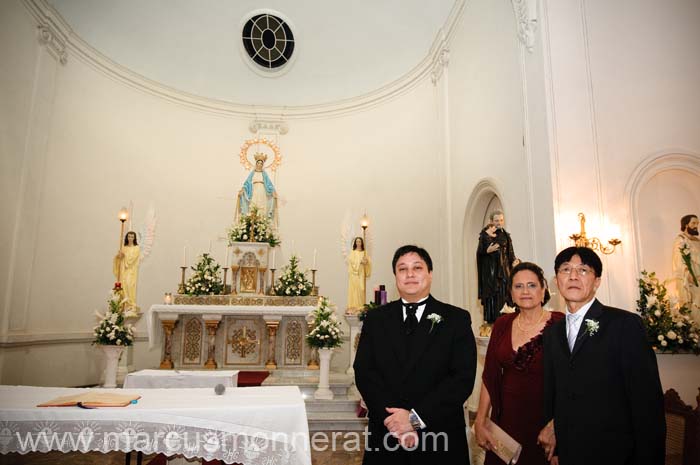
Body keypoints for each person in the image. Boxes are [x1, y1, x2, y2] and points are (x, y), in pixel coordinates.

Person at [538, 246, 665, 465]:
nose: (573, 276)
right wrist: (557, 447)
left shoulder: (624, 325)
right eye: (565, 269)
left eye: (583, 270)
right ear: (557, 280)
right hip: (569, 453)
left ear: (597, 281)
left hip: (615, 454)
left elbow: (647, 406)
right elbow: (554, 393)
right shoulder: (552, 332)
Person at [354, 245, 477, 464]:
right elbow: (364, 371)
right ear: (395, 276)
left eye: (417, 267)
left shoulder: (456, 319)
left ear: (430, 274)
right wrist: (393, 420)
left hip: (438, 435)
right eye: (402, 269)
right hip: (388, 433)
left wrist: (414, 419)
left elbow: (462, 379)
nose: (410, 274)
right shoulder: (375, 319)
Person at [474, 262, 564, 465]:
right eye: (518, 286)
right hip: (505, 421)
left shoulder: (560, 324)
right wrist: (480, 421)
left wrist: (557, 425)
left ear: (543, 291)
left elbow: (572, 382)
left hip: (545, 421)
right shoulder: (502, 324)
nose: (525, 291)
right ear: (511, 293)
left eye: (532, 285)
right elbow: (490, 375)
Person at [477, 211, 519, 325]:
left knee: (505, 294)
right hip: (491, 273)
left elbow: (511, 253)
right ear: (491, 222)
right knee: (493, 297)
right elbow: (479, 253)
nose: (499, 223)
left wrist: (515, 262)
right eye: (496, 220)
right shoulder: (485, 235)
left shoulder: (506, 236)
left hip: (504, 271)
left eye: (501, 220)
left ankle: (505, 319)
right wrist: (486, 251)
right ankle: (493, 321)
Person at [672, 214, 700, 323]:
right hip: (691, 281)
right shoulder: (681, 240)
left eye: (697, 223)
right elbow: (678, 260)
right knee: (694, 309)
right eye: (693, 223)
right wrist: (688, 275)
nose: (696, 226)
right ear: (686, 224)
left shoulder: (697, 241)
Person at [236, 152, 278, 225]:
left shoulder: (264, 175)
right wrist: (242, 190)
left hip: (262, 191)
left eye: (261, 164)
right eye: (258, 163)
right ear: (256, 164)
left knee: (262, 206)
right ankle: (252, 223)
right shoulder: (252, 174)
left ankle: (261, 223)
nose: (259, 165)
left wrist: (273, 191)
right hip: (254, 191)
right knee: (253, 204)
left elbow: (269, 184)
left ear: (262, 165)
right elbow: (247, 184)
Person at [113, 231, 140, 310]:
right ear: (126, 237)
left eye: (132, 237)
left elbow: (131, 259)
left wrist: (124, 256)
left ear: (134, 238)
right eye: (129, 236)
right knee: (122, 286)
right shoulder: (123, 247)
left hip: (131, 271)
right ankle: (123, 304)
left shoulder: (136, 248)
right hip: (123, 271)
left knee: (128, 285)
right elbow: (118, 259)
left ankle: (130, 304)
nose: (130, 238)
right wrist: (118, 256)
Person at [347, 237, 372, 313]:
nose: (358, 243)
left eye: (360, 242)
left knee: (362, 289)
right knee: (355, 290)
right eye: (357, 242)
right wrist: (360, 262)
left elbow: (369, 263)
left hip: (361, 275)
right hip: (355, 276)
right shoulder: (352, 252)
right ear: (355, 243)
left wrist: (366, 262)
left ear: (362, 243)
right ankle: (354, 307)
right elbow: (352, 262)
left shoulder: (364, 253)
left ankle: (361, 306)